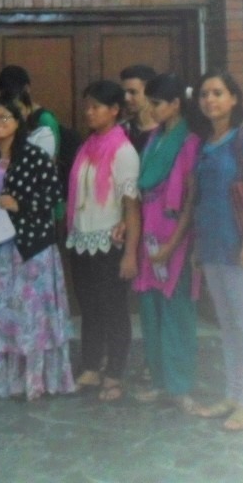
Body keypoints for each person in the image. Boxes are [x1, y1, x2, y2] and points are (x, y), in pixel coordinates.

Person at [186, 70, 243, 431]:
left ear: (234, 98)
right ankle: (233, 394)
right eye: (205, 93)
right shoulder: (207, 140)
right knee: (226, 325)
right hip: (213, 246)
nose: (210, 100)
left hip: (242, 247)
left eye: (218, 93)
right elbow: (202, 199)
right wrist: (197, 246)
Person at [0, 99, 75, 401]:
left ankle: (35, 380)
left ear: (18, 121)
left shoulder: (34, 156)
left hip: (32, 247)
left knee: (32, 315)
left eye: (3, 117)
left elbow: (54, 196)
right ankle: (6, 380)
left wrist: (20, 204)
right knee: (3, 313)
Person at [130, 74, 201, 413]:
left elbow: (189, 200)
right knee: (151, 309)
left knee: (176, 309)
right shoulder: (155, 138)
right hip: (149, 234)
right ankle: (160, 381)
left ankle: (181, 385)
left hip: (174, 234)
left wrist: (173, 245)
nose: (151, 108)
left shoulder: (189, 142)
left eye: (157, 103)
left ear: (175, 104)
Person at [66, 80, 140, 402]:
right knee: (90, 307)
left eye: (96, 106)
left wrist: (130, 254)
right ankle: (92, 365)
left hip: (109, 243)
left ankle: (115, 373)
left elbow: (131, 206)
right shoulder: (86, 146)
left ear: (114, 111)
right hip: (82, 239)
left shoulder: (123, 150)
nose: (89, 112)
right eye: (87, 106)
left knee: (113, 309)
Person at [120, 64, 159, 154]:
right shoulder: (121, 131)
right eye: (124, 93)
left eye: (132, 92)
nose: (126, 98)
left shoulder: (167, 131)